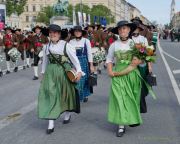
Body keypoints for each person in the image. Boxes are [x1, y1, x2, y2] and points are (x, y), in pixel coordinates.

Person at [38, 24, 83, 134]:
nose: (52, 34)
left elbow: (75, 59)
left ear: (59, 34)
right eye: (51, 32)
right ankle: (51, 122)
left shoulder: (66, 45)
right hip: (51, 72)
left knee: (65, 93)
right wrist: (43, 73)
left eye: (55, 32)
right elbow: (45, 61)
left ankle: (67, 114)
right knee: (50, 94)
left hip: (64, 71)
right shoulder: (46, 46)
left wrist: (79, 71)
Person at [106, 20, 142, 137]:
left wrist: (120, 73)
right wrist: (110, 71)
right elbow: (109, 60)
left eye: (125, 28)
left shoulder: (135, 44)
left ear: (129, 30)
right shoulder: (114, 45)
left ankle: (130, 117)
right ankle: (121, 125)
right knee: (119, 98)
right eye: (121, 29)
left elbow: (136, 63)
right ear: (118, 31)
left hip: (131, 74)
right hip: (118, 74)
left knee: (130, 98)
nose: (123, 31)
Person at [69, 26, 94, 102]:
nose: (77, 32)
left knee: (84, 79)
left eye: (79, 31)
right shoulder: (71, 42)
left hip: (83, 61)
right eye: (76, 31)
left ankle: (84, 94)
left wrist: (91, 65)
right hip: (74, 62)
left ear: (81, 32)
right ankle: (77, 95)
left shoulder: (86, 41)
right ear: (74, 32)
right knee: (75, 79)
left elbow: (89, 53)